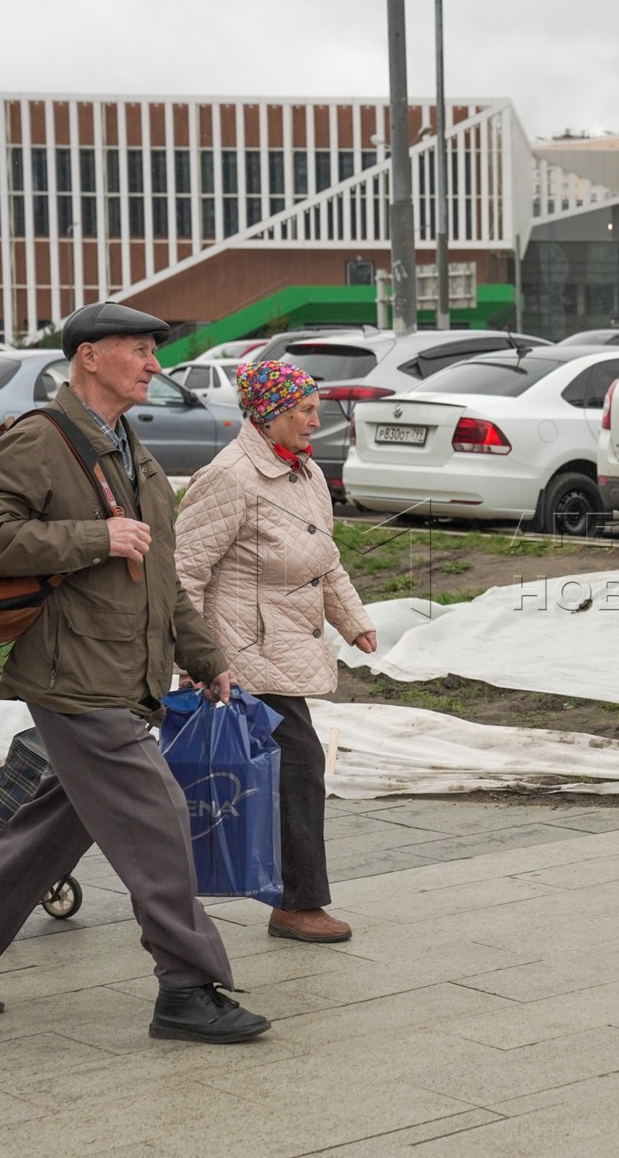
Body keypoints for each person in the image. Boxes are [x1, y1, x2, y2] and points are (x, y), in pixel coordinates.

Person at [0, 301, 270, 1043]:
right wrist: (93, 537)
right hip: (73, 678)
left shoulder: (132, 450)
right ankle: (186, 988)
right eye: (138, 349)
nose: (153, 364)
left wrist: (204, 657)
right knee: (158, 818)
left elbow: (158, 575)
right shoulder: (42, 441)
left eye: (153, 351)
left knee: (58, 824)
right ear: (89, 356)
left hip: (120, 673)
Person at [175, 359, 377, 943]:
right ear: (268, 416)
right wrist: (199, 660)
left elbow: (326, 559)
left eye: (316, 408)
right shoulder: (230, 477)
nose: (318, 420)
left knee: (292, 766)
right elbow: (185, 573)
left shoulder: (304, 473)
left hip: (282, 646)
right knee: (301, 765)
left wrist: (354, 620)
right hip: (243, 653)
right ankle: (296, 904)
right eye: (305, 410)